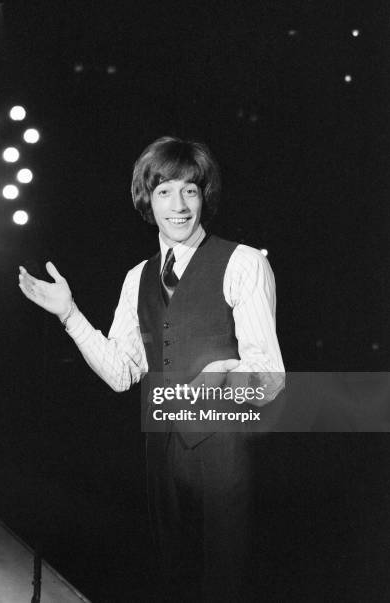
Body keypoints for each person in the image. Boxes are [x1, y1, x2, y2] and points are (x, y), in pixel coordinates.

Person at [18, 136, 284, 601]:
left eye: (190, 191)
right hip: (160, 455)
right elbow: (122, 373)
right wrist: (69, 314)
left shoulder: (243, 263)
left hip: (223, 454)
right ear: (148, 200)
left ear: (205, 198)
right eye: (164, 191)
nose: (178, 205)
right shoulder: (135, 278)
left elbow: (269, 375)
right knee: (171, 582)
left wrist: (224, 373)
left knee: (225, 585)